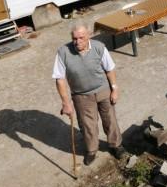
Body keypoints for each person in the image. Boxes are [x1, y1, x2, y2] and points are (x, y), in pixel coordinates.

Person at [53, 22, 125, 165]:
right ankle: (92, 150)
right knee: (87, 125)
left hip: (102, 89)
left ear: (89, 36)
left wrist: (115, 88)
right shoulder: (63, 52)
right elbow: (60, 79)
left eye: (81, 38)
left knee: (110, 119)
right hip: (81, 95)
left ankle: (116, 145)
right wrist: (66, 103)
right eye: (74, 38)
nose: (77, 42)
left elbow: (110, 69)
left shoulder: (99, 47)